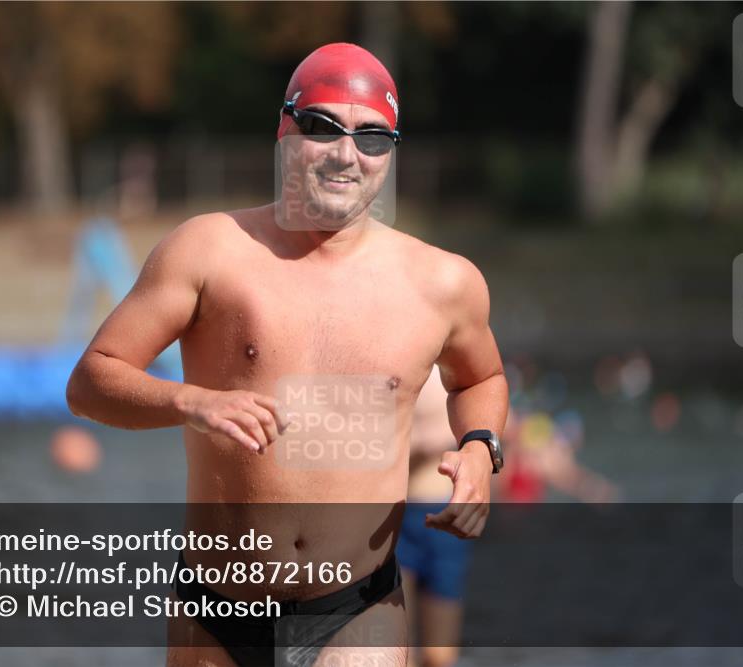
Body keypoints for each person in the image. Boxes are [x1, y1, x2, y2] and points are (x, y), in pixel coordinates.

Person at [66, 42, 508, 667]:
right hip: (218, 608)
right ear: (285, 131)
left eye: (371, 137)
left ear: (391, 150)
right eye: (323, 128)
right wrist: (191, 402)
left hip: (358, 607)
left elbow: (480, 378)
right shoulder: (208, 250)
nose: (346, 154)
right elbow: (90, 382)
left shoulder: (443, 283)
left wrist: (481, 448)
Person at [398, 365, 473, 667]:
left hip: (444, 515)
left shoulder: (457, 366)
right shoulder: (391, 359)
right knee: (399, 650)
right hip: (397, 515)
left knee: (439, 654)